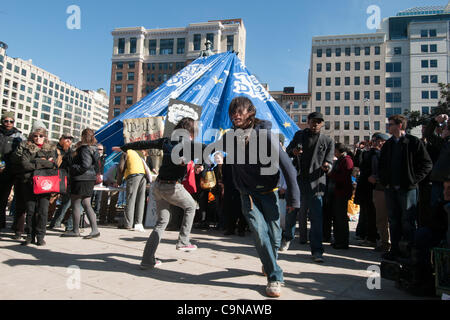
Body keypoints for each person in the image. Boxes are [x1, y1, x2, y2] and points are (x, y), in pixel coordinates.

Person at [214, 97, 300, 298]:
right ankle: (274, 276)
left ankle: (269, 260)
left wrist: (294, 199)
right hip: (247, 195)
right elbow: (209, 147)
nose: (235, 115)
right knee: (260, 234)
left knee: (275, 235)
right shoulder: (230, 137)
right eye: (233, 112)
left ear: (250, 112)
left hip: (268, 193)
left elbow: (288, 167)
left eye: (240, 111)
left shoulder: (265, 135)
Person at [112, 118, 203, 270]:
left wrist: (124, 147)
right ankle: (183, 241)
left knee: (161, 222)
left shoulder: (167, 141)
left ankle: (147, 260)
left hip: (158, 186)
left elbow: (143, 144)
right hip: (172, 187)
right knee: (191, 207)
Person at [379, 115, 433, 261]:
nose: (388, 127)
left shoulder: (413, 142)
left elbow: (427, 164)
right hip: (391, 189)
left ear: (400, 126)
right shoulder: (388, 145)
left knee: (408, 221)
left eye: (390, 124)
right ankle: (395, 250)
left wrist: (413, 180)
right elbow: (382, 166)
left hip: (408, 189)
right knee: (394, 220)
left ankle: (409, 251)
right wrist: (385, 181)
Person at [284, 112, 334, 263]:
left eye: (319, 122)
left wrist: (327, 166)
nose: (315, 124)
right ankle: (287, 238)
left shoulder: (328, 140)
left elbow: (330, 161)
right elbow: (287, 151)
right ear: (308, 121)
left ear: (322, 124)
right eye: (313, 121)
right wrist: (293, 151)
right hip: (298, 180)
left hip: (316, 183)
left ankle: (317, 250)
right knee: (292, 212)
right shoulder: (299, 135)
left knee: (316, 218)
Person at [11, 120, 57, 246]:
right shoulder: (27, 147)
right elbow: (25, 164)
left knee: (43, 211)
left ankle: (40, 236)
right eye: (36, 135)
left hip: (45, 184)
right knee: (30, 210)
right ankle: (29, 236)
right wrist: (40, 161)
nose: (38, 138)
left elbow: (53, 165)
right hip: (29, 183)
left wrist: (37, 163)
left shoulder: (51, 148)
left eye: (41, 136)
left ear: (45, 137)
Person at [61, 129, 101, 239]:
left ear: (83, 136)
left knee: (75, 204)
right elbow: (95, 165)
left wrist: (73, 167)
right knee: (87, 204)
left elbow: (85, 165)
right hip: (90, 179)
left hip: (81, 179)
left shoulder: (84, 148)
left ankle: (75, 230)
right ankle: (94, 229)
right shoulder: (95, 148)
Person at [0, 111, 25, 230]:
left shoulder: (18, 136)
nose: (8, 123)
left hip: (11, 170)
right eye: (6, 121)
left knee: (5, 197)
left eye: (11, 121)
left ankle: (3, 222)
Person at [328, 143, 354, 249]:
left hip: (342, 192)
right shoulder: (340, 160)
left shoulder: (347, 160)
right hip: (337, 191)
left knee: (341, 218)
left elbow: (344, 177)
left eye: (335, 151)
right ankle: (338, 239)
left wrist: (331, 174)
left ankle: (343, 241)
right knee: (337, 218)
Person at [368, 133, 391, 253]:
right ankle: (384, 242)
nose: (379, 143)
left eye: (382, 141)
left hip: (390, 189)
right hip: (379, 189)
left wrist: (376, 178)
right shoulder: (374, 155)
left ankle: (392, 243)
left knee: (392, 219)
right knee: (381, 218)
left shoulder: (393, 154)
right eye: (377, 141)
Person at [48, 131, 74, 229]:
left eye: (70, 139)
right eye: (66, 138)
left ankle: (62, 220)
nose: (68, 140)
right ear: (61, 139)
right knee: (52, 199)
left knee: (66, 201)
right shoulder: (54, 149)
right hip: (55, 177)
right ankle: (49, 219)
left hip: (67, 179)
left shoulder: (71, 151)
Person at [116, 149, 147, 232]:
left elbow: (120, 168)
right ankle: (138, 223)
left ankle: (128, 224)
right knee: (141, 200)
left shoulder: (126, 153)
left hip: (133, 176)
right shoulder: (138, 153)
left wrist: (118, 181)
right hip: (143, 176)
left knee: (131, 200)